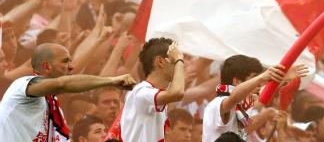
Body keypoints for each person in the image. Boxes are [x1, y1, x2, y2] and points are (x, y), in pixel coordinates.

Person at [0, 43, 136, 141]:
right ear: (46, 66)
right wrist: (110, 81)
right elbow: (62, 84)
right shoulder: (22, 85)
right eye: (65, 62)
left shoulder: (52, 106)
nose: (71, 67)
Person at [202, 54, 308, 142]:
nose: (259, 83)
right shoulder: (218, 103)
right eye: (254, 78)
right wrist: (263, 77)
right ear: (237, 81)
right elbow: (234, 97)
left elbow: (260, 99)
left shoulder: (242, 109)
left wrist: (279, 78)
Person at [120, 38, 186, 141]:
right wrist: (179, 59)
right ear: (160, 61)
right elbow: (178, 93)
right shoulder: (140, 92)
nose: (180, 66)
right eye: (174, 61)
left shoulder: (154, 93)